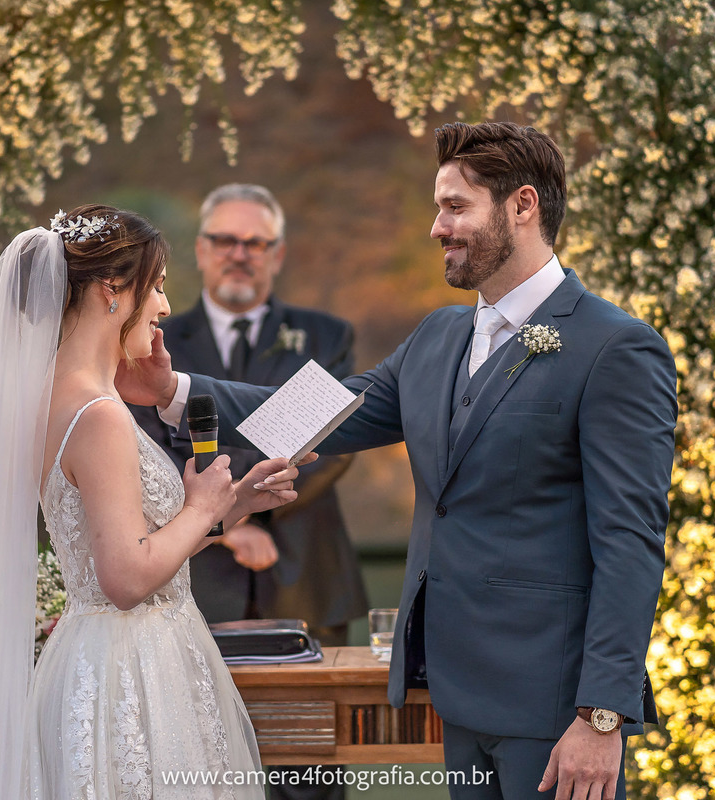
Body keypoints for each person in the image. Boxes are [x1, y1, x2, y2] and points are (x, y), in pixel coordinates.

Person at [126, 123, 678, 800]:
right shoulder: (438, 335)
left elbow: (631, 544)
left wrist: (602, 714)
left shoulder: (616, 347)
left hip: (556, 707)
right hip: (457, 696)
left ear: (523, 206)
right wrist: (173, 391)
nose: (437, 227)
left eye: (455, 207)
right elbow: (312, 411)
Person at [0, 205, 309, 800]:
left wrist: (236, 501)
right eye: (155, 286)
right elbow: (127, 577)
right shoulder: (99, 415)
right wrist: (203, 509)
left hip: (95, 657)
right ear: (113, 291)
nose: (163, 305)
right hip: (136, 670)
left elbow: (133, 537)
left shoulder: (58, 397)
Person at [133, 183, 367, 648]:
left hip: (302, 571)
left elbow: (337, 439)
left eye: (255, 243)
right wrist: (225, 526)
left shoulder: (325, 336)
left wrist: (251, 511)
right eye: (224, 240)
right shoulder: (154, 336)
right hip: (193, 567)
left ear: (276, 255)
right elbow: (145, 441)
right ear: (201, 250)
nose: (239, 254)